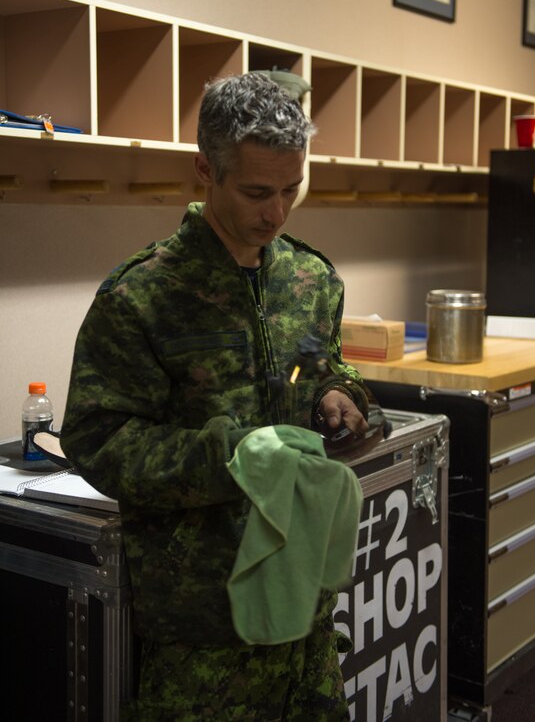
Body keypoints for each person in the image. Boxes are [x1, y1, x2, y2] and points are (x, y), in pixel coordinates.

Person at [61, 72, 372, 721]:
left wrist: (340, 395)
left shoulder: (311, 279)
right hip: (204, 625)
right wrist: (230, 456)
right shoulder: (142, 297)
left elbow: (322, 367)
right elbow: (97, 439)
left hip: (305, 605)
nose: (276, 213)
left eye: (291, 189)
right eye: (257, 192)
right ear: (206, 169)